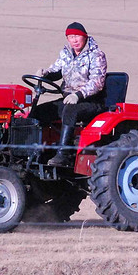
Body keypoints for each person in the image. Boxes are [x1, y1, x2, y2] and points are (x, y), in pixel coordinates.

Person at [33, 22, 108, 167]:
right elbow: (57, 70)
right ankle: (33, 151)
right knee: (40, 111)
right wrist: (45, 73)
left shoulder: (96, 55)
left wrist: (78, 95)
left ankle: (63, 154)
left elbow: (97, 82)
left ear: (84, 37)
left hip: (91, 101)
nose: (74, 40)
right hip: (68, 98)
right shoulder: (66, 53)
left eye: (77, 36)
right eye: (70, 37)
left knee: (70, 110)